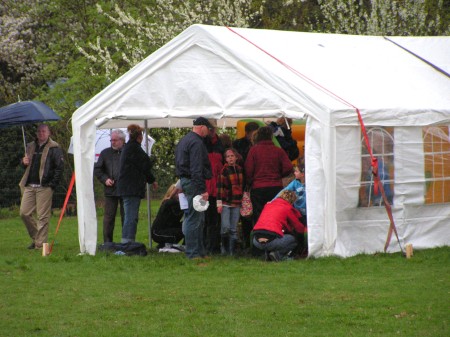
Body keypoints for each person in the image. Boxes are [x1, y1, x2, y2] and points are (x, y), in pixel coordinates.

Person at [19, 124, 64, 250]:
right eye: (39, 131)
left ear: (49, 133)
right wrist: (23, 162)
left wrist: (52, 185)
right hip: (29, 185)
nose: (41, 133)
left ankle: (40, 246)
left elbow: (59, 168)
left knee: (42, 216)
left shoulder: (54, 148)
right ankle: (37, 238)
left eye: (44, 131)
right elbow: (24, 164)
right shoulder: (30, 146)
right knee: (24, 213)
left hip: (44, 186)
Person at [175, 117, 213, 259]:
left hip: (188, 181)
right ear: (202, 127)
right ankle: (193, 253)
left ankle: (200, 251)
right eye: (208, 129)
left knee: (199, 217)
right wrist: (203, 189)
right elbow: (196, 168)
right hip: (194, 183)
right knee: (194, 218)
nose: (208, 132)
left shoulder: (184, 140)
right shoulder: (196, 143)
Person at [245, 126, 293, 226]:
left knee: (259, 216)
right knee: (274, 215)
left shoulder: (253, 151)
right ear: (271, 136)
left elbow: (248, 170)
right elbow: (288, 167)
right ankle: (274, 237)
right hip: (275, 187)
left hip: (258, 188)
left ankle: (260, 238)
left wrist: (250, 183)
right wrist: (279, 175)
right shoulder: (278, 151)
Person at [117, 124, 157, 243]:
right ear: (139, 136)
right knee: (131, 217)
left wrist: (151, 180)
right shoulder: (134, 148)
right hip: (131, 188)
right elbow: (146, 164)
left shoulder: (129, 148)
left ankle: (128, 241)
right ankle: (127, 242)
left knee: (130, 216)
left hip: (128, 187)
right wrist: (152, 179)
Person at [252, 190, 306, 261]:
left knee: (271, 236)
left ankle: (268, 254)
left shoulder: (268, 205)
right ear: (292, 201)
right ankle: (278, 255)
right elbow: (299, 228)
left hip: (256, 240)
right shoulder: (287, 208)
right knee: (293, 239)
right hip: (272, 241)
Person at [94, 129, 125, 243]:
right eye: (111, 140)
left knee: (125, 217)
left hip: (125, 190)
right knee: (108, 218)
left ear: (122, 140)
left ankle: (126, 242)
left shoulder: (127, 152)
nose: (113, 142)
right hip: (110, 190)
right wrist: (105, 179)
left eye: (115, 140)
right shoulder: (105, 153)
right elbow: (98, 169)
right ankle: (107, 242)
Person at [216, 148, 244, 256]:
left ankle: (232, 252)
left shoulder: (240, 169)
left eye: (232, 156)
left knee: (233, 228)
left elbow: (242, 186)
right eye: (228, 156)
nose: (230, 158)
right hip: (226, 202)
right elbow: (219, 188)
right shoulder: (223, 171)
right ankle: (224, 249)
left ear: (236, 157)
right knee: (225, 227)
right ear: (225, 159)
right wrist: (219, 204)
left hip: (237, 202)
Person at [203, 120, 224, 255]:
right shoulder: (201, 143)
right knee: (205, 219)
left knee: (214, 220)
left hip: (216, 191)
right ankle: (206, 246)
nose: (211, 131)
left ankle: (213, 246)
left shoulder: (219, 146)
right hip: (205, 190)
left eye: (213, 129)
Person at [151, 184, 184, 249]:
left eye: (181, 192)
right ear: (172, 192)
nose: (179, 194)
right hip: (158, 233)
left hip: (167, 229)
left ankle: (166, 245)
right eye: (177, 191)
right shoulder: (168, 202)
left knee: (187, 225)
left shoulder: (177, 203)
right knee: (184, 229)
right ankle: (166, 245)